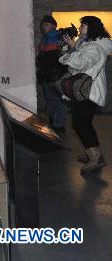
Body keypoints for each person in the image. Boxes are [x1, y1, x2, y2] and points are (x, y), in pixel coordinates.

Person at [59, 16, 110, 175]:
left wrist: (74, 48)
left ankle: (96, 158)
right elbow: (66, 59)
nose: (80, 27)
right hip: (82, 90)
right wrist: (71, 47)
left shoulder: (94, 47)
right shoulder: (84, 43)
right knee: (82, 123)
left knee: (81, 123)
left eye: (83, 25)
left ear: (91, 27)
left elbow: (80, 63)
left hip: (89, 91)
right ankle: (93, 154)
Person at [36, 15, 67, 132]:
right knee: (50, 99)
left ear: (54, 25)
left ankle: (59, 125)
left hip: (57, 75)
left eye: (46, 24)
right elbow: (42, 57)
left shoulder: (59, 37)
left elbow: (62, 57)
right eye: (43, 24)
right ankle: (53, 121)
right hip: (47, 75)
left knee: (59, 100)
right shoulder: (44, 39)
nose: (44, 27)